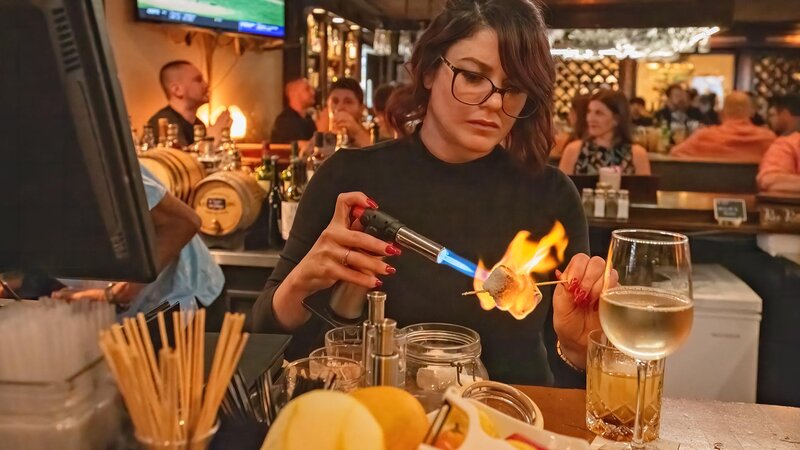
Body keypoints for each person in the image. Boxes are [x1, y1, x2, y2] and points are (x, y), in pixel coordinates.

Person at [248, 0, 611, 387]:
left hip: (508, 428)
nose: (494, 102)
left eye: (515, 88)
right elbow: (264, 343)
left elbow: (568, 387)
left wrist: (578, 353)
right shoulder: (350, 176)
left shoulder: (550, 195)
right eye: (473, 76)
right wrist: (302, 282)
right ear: (429, 71)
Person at [53, 166, 229, 331]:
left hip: (179, 301)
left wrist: (114, 294)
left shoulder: (92, 167)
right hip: (122, 316)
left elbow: (183, 223)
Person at [559, 90, 651, 175]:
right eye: (589, 112)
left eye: (599, 113)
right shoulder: (574, 150)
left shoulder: (637, 154)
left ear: (616, 119)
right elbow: (560, 190)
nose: (590, 118)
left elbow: (645, 191)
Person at [670, 91, 776, 163]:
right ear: (751, 112)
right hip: (753, 194)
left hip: (708, 194)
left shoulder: (705, 136)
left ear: (722, 113)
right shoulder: (768, 138)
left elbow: (675, 153)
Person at [147, 60, 231, 147]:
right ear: (177, 90)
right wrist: (210, 140)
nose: (206, 85)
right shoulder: (162, 123)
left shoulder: (198, 124)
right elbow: (178, 159)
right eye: (198, 80)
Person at [318, 78, 371, 148]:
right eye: (335, 101)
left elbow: (377, 155)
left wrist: (356, 132)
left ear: (361, 108)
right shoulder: (320, 134)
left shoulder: (373, 137)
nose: (340, 107)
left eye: (348, 102)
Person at [269, 77, 318, 144]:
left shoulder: (308, 119)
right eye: (307, 89)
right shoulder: (285, 121)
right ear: (293, 94)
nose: (313, 92)